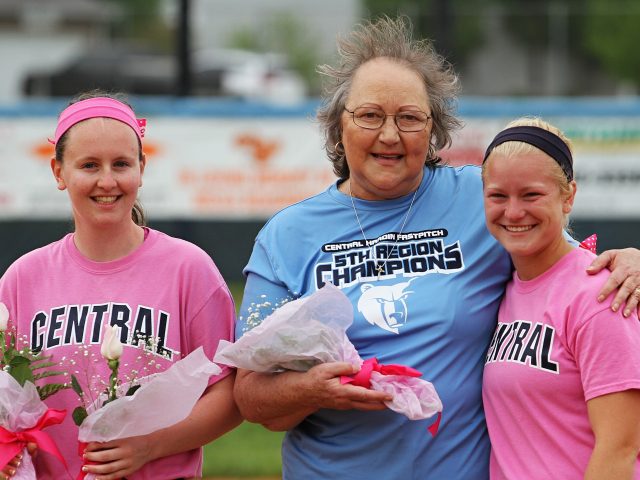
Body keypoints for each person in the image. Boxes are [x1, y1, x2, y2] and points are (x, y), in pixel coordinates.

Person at [232, 16, 640, 480]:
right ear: (338, 125)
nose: (389, 135)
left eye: (409, 118)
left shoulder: (480, 199)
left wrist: (633, 261)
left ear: (434, 129)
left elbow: (567, 265)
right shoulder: (286, 236)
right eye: (370, 116)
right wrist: (312, 389)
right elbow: (251, 398)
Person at [0, 91, 242, 480]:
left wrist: (150, 447)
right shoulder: (22, 279)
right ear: (59, 172)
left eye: (122, 164)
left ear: (142, 169)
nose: (107, 181)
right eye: (89, 165)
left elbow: (231, 395)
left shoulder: (189, 269)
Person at [481, 118, 640, 479]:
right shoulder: (500, 289)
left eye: (531, 194)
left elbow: (620, 450)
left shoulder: (601, 296)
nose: (514, 211)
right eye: (498, 196)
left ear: (568, 195)